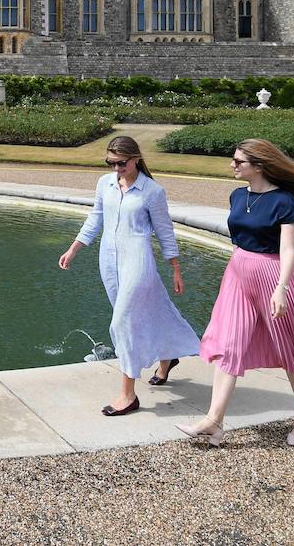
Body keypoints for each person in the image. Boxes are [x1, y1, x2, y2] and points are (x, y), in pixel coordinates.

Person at [177, 138, 294, 448]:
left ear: (259, 166)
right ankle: (214, 421)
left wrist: (281, 288)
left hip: (272, 275)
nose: (232, 165)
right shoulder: (237, 196)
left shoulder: (285, 201)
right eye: (233, 160)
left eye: (239, 161)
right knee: (228, 343)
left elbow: (288, 250)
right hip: (239, 273)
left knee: (292, 348)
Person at [59, 135, 201, 417]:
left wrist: (175, 268)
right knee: (149, 313)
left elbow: (165, 232)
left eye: (121, 163)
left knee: (124, 321)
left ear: (136, 159)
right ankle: (168, 358)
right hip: (108, 261)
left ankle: (128, 394)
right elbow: (95, 217)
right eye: (110, 163)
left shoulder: (152, 192)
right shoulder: (105, 184)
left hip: (138, 261)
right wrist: (74, 249)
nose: (116, 168)